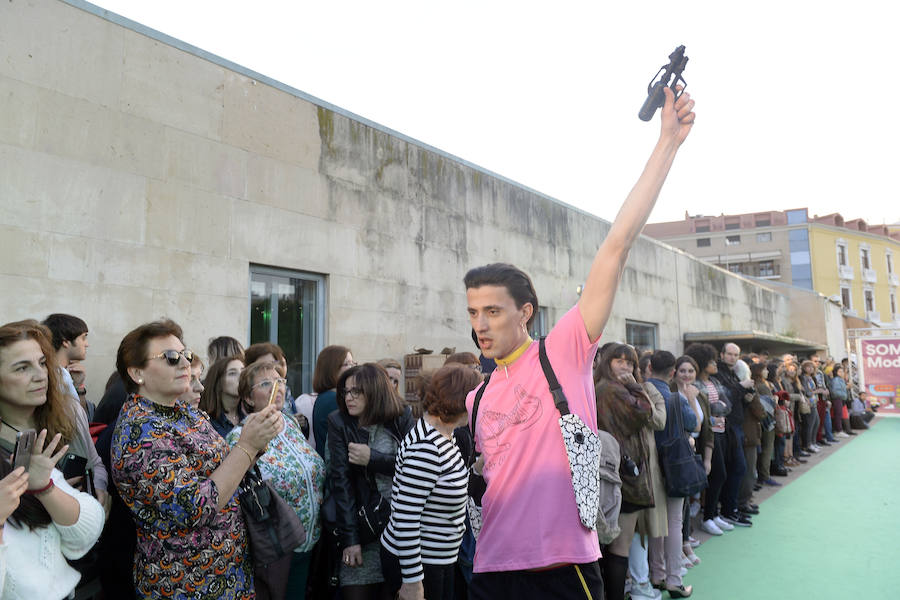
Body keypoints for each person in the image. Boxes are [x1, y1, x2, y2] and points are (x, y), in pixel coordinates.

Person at [464, 85, 694, 600]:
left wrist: (667, 144)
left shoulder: (561, 352)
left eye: (493, 311)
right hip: (490, 569)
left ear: (525, 312)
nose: (481, 324)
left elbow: (616, 247)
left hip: (562, 567)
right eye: (474, 313)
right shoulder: (476, 398)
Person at [111, 319, 283, 599]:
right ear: (137, 372)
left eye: (186, 355)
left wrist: (257, 440)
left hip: (230, 574)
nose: (185, 364)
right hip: (185, 584)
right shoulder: (139, 430)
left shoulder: (184, 410)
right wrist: (247, 446)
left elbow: (225, 470)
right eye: (171, 357)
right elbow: (195, 507)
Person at [0, 321, 105, 599]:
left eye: (42, 363)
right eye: (22, 368)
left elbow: (85, 532)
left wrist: (50, 489)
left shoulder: (63, 417)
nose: (41, 375)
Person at [226, 361, 326, 599]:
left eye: (279, 381)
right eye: (265, 383)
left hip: (311, 540)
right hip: (277, 546)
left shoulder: (290, 423)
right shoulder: (239, 436)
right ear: (248, 398)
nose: (276, 387)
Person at [381, 364, 481, 600]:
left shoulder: (445, 435)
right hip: (421, 566)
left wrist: (477, 469)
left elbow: (445, 486)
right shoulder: (426, 447)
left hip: (437, 560)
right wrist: (413, 583)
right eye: (475, 399)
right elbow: (405, 519)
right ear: (459, 401)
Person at [328, 363, 414, 600]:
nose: (349, 397)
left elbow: (416, 467)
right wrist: (350, 540)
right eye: (346, 391)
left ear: (375, 390)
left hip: (400, 531)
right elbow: (341, 484)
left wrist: (373, 459)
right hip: (362, 529)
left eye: (356, 391)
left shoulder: (401, 416)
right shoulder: (339, 422)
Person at [593, 343, 654, 600]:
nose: (625, 367)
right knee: (620, 545)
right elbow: (645, 412)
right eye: (619, 361)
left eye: (630, 362)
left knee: (612, 544)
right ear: (607, 363)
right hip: (622, 474)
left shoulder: (604, 387)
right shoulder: (612, 389)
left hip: (614, 469)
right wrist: (636, 387)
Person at [40, 314, 108, 506]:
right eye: (83, 337)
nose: (87, 344)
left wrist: (79, 388)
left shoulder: (66, 376)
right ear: (65, 341)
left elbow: (81, 423)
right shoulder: (55, 377)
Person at [646, 351, 696, 598]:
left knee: (656, 521)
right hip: (674, 465)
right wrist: (689, 398)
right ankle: (674, 579)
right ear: (673, 372)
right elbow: (694, 423)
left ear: (649, 367)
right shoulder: (676, 398)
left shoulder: (640, 392)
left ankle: (657, 574)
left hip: (647, 466)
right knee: (674, 522)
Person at [683, 343, 732, 536]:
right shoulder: (695, 386)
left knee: (720, 474)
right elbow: (704, 412)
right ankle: (708, 517)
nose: (715, 364)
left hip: (720, 432)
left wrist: (718, 409)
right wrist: (715, 411)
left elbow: (727, 404)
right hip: (705, 436)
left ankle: (713, 513)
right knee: (716, 474)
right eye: (711, 361)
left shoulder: (714, 381)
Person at [710, 343, 752, 527]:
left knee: (737, 468)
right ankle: (728, 510)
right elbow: (725, 398)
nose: (733, 357)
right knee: (736, 467)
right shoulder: (718, 374)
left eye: (736, 355)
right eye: (729, 354)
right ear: (722, 354)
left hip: (736, 424)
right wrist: (741, 387)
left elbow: (735, 399)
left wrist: (747, 395)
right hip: (726, 426)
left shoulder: (732, 373)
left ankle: (732, 508)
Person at [312, 345, 355, 456]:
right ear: (331, 368)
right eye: (346, 364)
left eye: (353, 363)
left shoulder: (328, 396)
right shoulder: (332, 398)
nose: (352, 368)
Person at [199, 355, 244, 438]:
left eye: (243, 372)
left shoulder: (249, 414)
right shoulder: (205, 420)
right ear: (217, 382)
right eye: (232, 373)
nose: (241, 377)